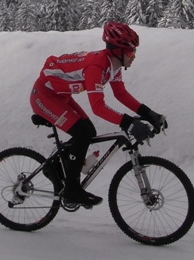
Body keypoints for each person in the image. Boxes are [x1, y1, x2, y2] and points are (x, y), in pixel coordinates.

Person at [29, 21, 167, 206]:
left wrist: (150, 114)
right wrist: (128, 123)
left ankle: (55, 168)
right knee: (82, 133)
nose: (134, 56)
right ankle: (71, 190)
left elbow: (121, 94)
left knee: (88, 132)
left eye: (135, 52)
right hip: (44, 96)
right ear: (118, 51)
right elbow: (98, 108)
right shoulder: (97, 67)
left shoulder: (113, 66)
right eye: (131, 52)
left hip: (61, 96)